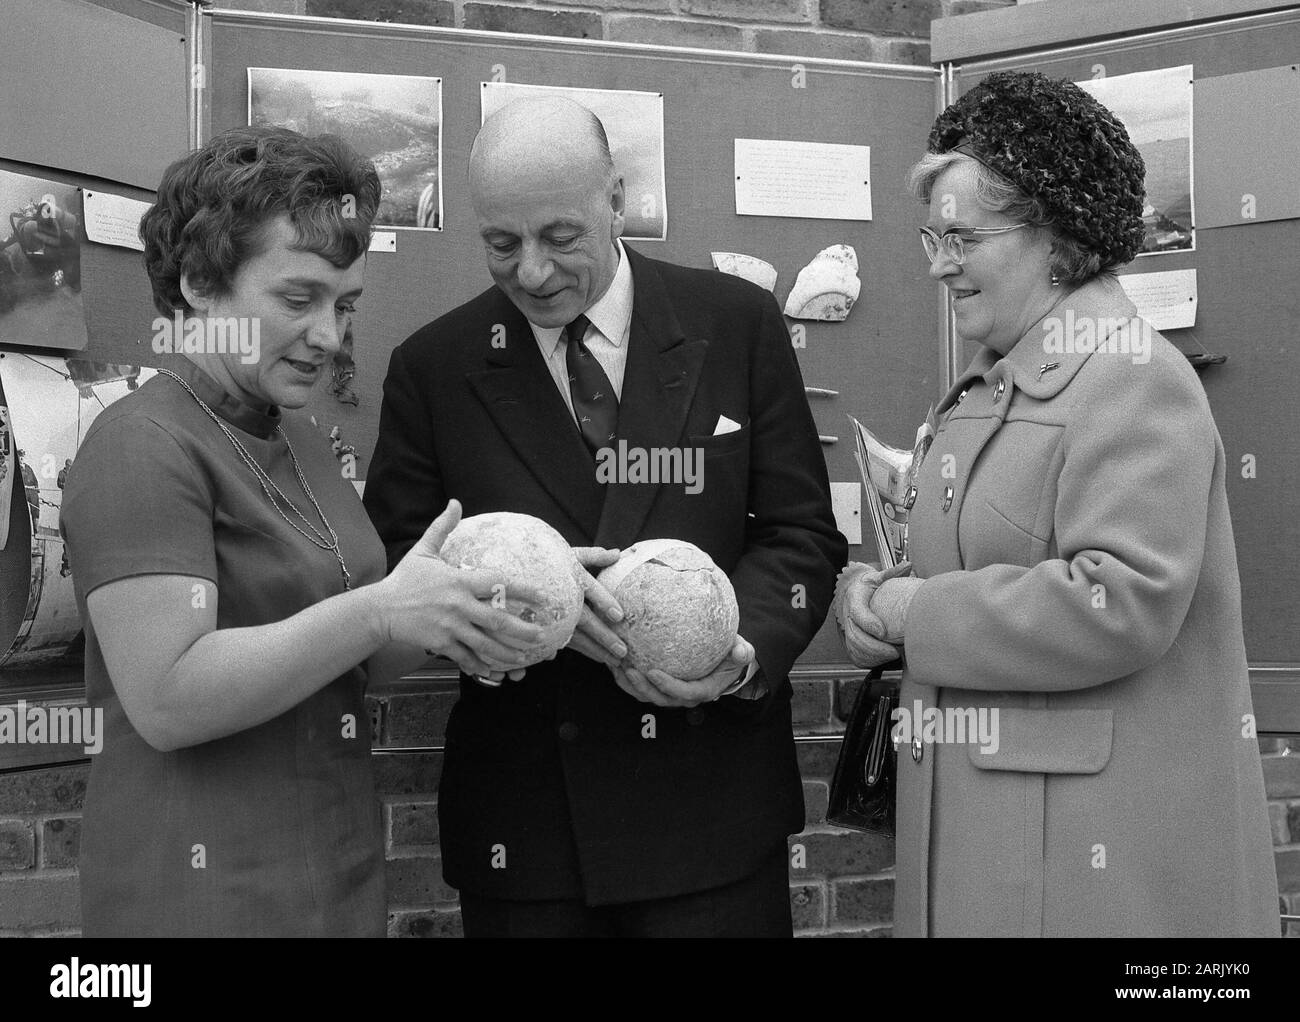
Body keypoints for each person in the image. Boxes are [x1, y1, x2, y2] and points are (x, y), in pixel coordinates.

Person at [364, 96, 846, 938]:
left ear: (617, 201)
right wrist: (483, 626)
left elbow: (801, 531)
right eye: (501, 243)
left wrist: (736, 653)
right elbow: (400, 567)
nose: (533, 272)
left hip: (712, 817)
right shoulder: (433, 368)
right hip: (530, 835)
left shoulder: (736, 323)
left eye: (561, 236)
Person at [60, 126, 549, 937]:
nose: (329, 334)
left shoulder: (300, 436)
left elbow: (357, 657)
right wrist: (379, 613)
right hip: (198, 900)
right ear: (200, 284)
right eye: (299, 298)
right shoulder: (139, 444)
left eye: (345, 303)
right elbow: (170, 698)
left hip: (333, 879)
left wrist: (481, 599)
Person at [835, 71, 1279, 937]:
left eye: (961, 235)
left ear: (1055, 235)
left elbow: (1117, 603)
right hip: (991, 846)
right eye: (932, 233)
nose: (936, 262)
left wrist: (916, 610)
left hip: (1087, 870)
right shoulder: (984, 384)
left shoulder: (1135, 378)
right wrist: (875, 599)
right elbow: (971, 565)